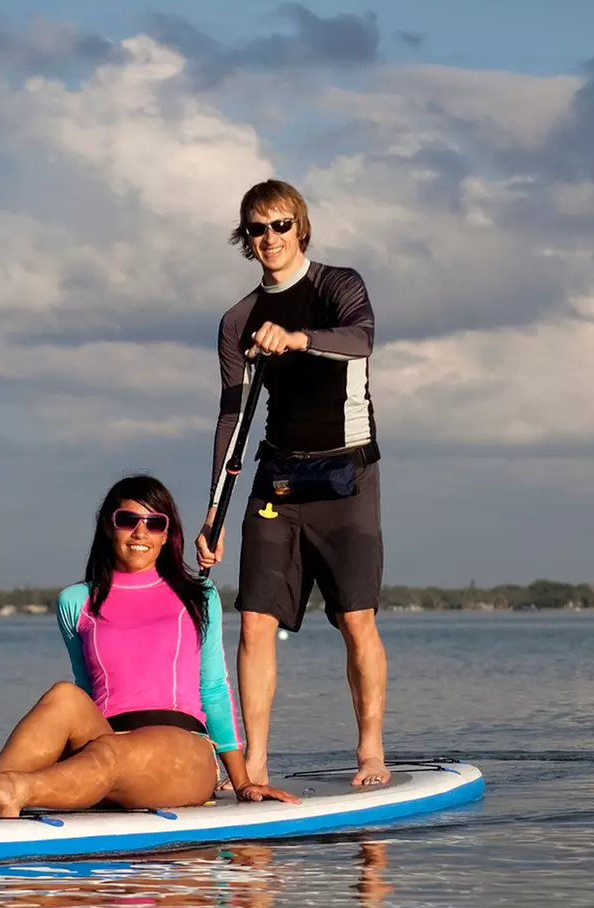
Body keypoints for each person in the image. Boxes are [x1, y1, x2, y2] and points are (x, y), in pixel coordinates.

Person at [0, 475, 298, 817]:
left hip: (182, 752)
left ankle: (14, 790)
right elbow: (88, 692)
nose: (141, 532)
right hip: (105, 742)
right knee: (65, 696)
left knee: (111, 751)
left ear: (167, 535)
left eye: (154, 523)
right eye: (128, 520)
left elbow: (213, 689)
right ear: (108, 526)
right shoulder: (77, 601)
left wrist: (243, 783)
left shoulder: (197, 596)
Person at [195, 178, 391, 789]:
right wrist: (213, 513)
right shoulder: (238, 320)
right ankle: (253, 766)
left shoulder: (339, 286)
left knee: (356, 620)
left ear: (300, 229)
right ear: (245, 240)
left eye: (280, 225)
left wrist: (297, 339)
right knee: (254, 621)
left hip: (347, 476)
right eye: (257, 229)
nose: (270, 238)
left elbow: (361, 339)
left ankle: (370, 752)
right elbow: (234, 415)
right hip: (278, 479)